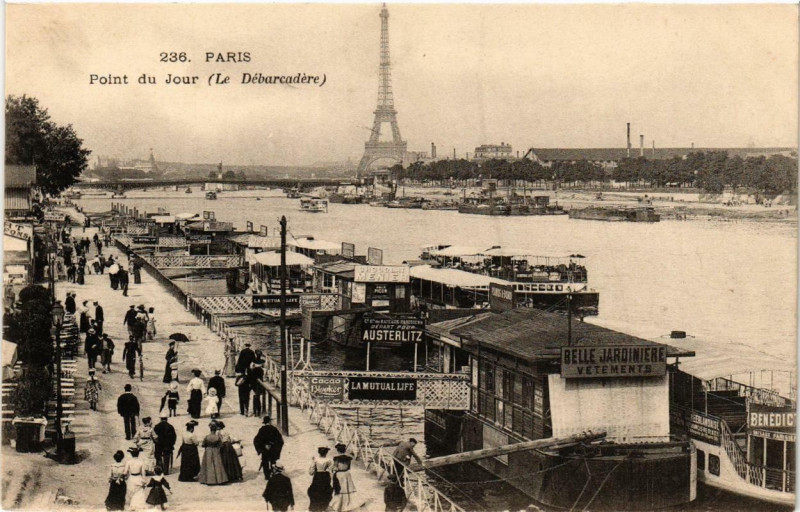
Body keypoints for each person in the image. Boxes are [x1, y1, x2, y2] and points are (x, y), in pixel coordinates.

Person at [330, 443, 358, 512]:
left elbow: (335, 467)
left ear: (338, 451)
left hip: (339, 474)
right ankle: (347, 504)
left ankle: (338, 505)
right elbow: (349, 467)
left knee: (339, 489)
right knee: (347, 489)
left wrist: (331, 469)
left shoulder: (336, 458)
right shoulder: (348, 458)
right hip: (347, 474)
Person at [307, 447, 333, 512]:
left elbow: (311, 472)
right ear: (326, 453)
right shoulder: (328, 460)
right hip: (325, 476)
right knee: (325, 491)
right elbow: (330, 470)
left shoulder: (315, 459)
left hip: (317, 476)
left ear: (319, 452)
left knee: (315, 490)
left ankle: (315, 506)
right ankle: (323, 506)